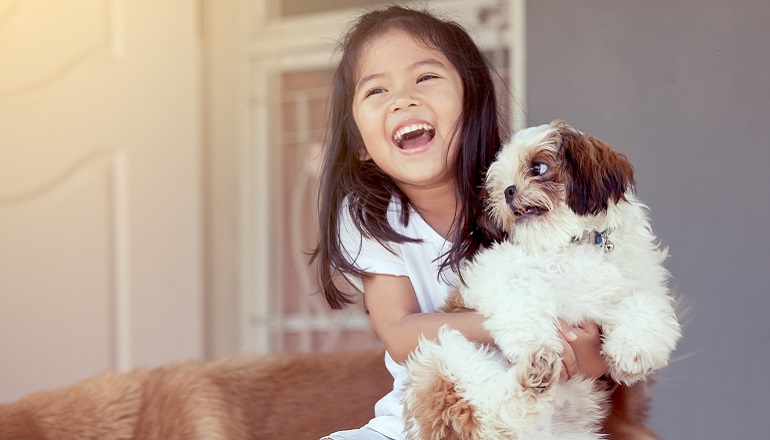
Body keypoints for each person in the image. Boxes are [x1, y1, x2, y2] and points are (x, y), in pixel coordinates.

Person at [312, 6, 607, 440]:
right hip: (424, 424)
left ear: (472, 102)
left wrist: (584, 349)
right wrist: (516, 325)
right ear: (359, 143)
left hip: (533, 423)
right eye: (376, 90)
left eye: (425, 77)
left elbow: (596, 350)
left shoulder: (523, 194)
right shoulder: (368, 214)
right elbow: (399, 332)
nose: (403, 99)